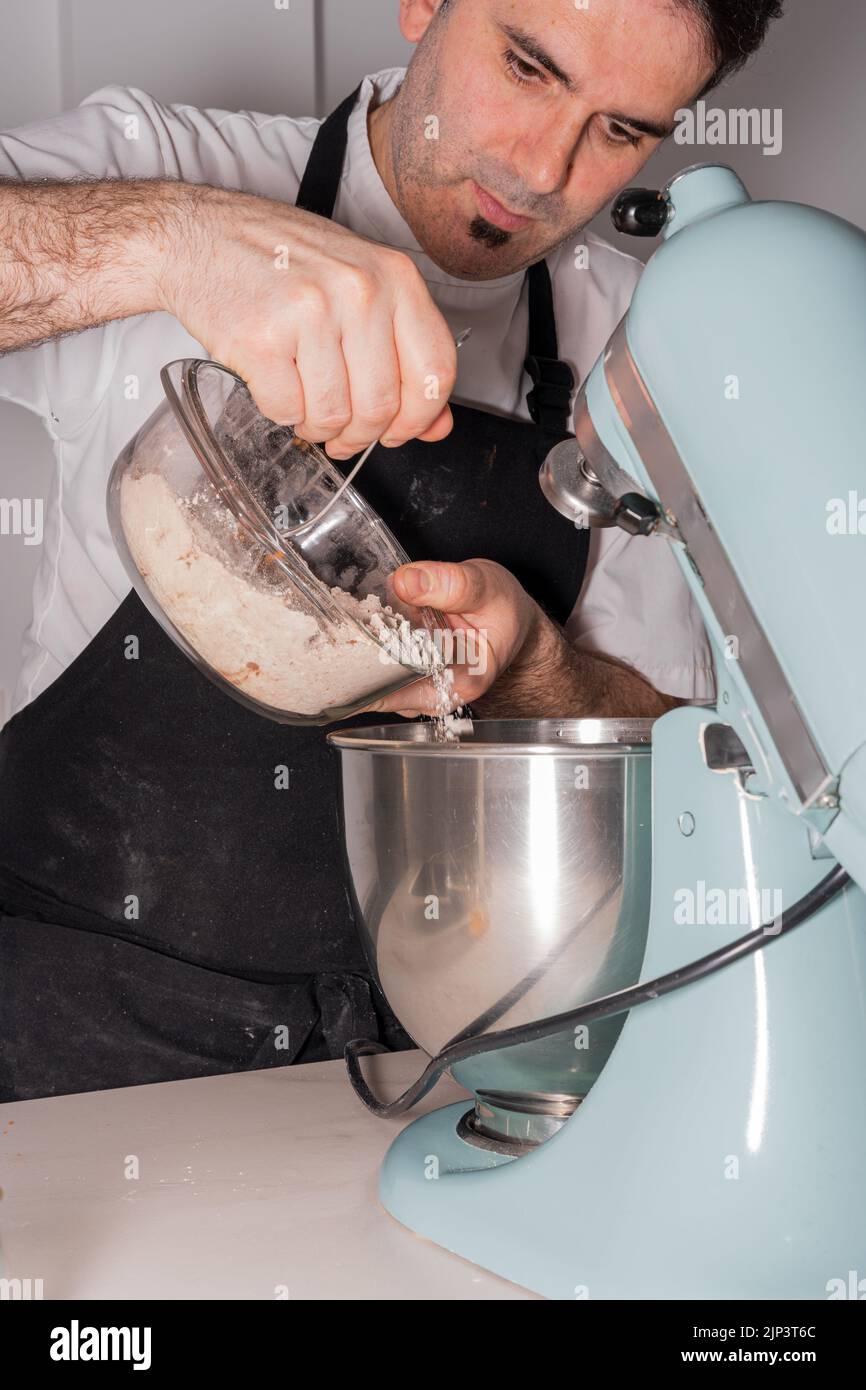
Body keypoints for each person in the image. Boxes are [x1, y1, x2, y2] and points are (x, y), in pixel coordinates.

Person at [0, 0, 783, 1100]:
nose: (537, 168)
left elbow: (694, 774)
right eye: (524, 66)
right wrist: (170, 243)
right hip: (67, 1044)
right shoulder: (169, 166)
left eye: (618, 131)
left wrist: (533, 672)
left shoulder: (643, 348)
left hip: (425, 1059)